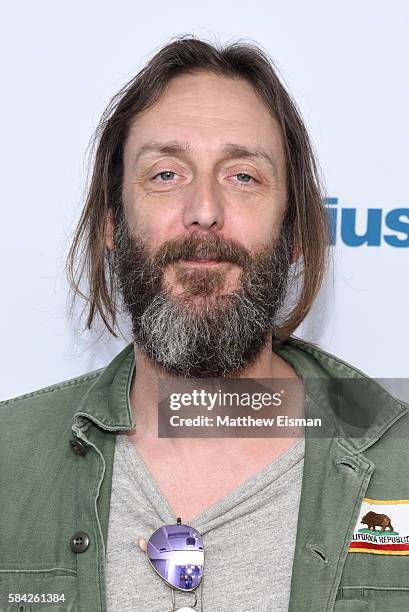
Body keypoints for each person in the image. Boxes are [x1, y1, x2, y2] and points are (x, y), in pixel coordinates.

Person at [1, 35, 408, 612]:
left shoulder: (399, 457)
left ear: (294, 231)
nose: (204, 211)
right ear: (112, 223)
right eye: (166, 174)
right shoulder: (8, 462)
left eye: (243, 176)